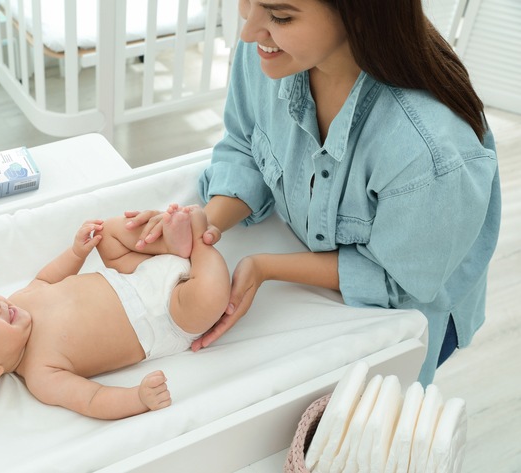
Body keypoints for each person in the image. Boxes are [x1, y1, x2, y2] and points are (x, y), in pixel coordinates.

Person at [125, 0, 501, 386]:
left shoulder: (429, 152)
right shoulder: (268, 52)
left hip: (410, 306)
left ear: (357, 14)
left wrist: (265, 267)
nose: (248, 30)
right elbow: (246, 145)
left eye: (280, 16)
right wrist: (207, 221)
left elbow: (397, 280)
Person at [0, 205, 230, 419]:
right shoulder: (41, 374)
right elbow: (92, 399)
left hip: (132, 272)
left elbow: (48, 276)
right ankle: (200, 245)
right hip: (167, 316)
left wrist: (76, 252)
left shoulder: (21, 298)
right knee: (209, 298)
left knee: (110, 232)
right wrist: (138, 398)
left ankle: (173, 249)